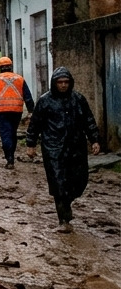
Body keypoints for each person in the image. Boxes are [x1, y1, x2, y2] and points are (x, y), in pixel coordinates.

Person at [25, 67, 102, 233]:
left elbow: (88, 119)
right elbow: (35, 124)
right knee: (58, 183)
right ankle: (64, 219)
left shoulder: (78, 99)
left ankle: (67, 202)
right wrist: (30, 144)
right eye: (60, 82)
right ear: (55, 83)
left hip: (76, 147)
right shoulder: (45, 101)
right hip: (53, 148)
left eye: (66, 82)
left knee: (79, 181)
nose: (63, 85)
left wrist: (94, 139)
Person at [0, 56, 34, 169]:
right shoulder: (20, 78)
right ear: (11, 66)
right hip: (17, 110)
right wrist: (31, 111)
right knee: (13, 133)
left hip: (2, 111)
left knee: (5, 133)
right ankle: (11, 155)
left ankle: (9, 159)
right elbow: (28, 96)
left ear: (0, 67)